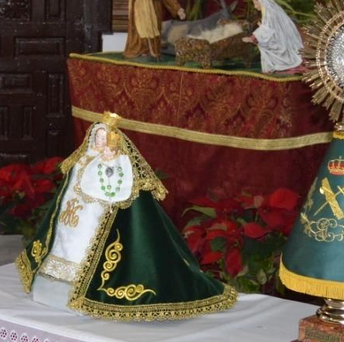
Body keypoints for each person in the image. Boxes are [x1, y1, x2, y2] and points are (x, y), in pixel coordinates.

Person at [17, 114, 236, 320]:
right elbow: (69, 186)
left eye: (104, 138)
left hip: (95, 217)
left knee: (85, 246)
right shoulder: (84, 158)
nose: (100, 141)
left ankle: (81, 280)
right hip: (74, 218)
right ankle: (61, 274)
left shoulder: (119, 163)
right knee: (67, 243)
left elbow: (116, 191)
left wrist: (109, 165)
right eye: (97, 137)